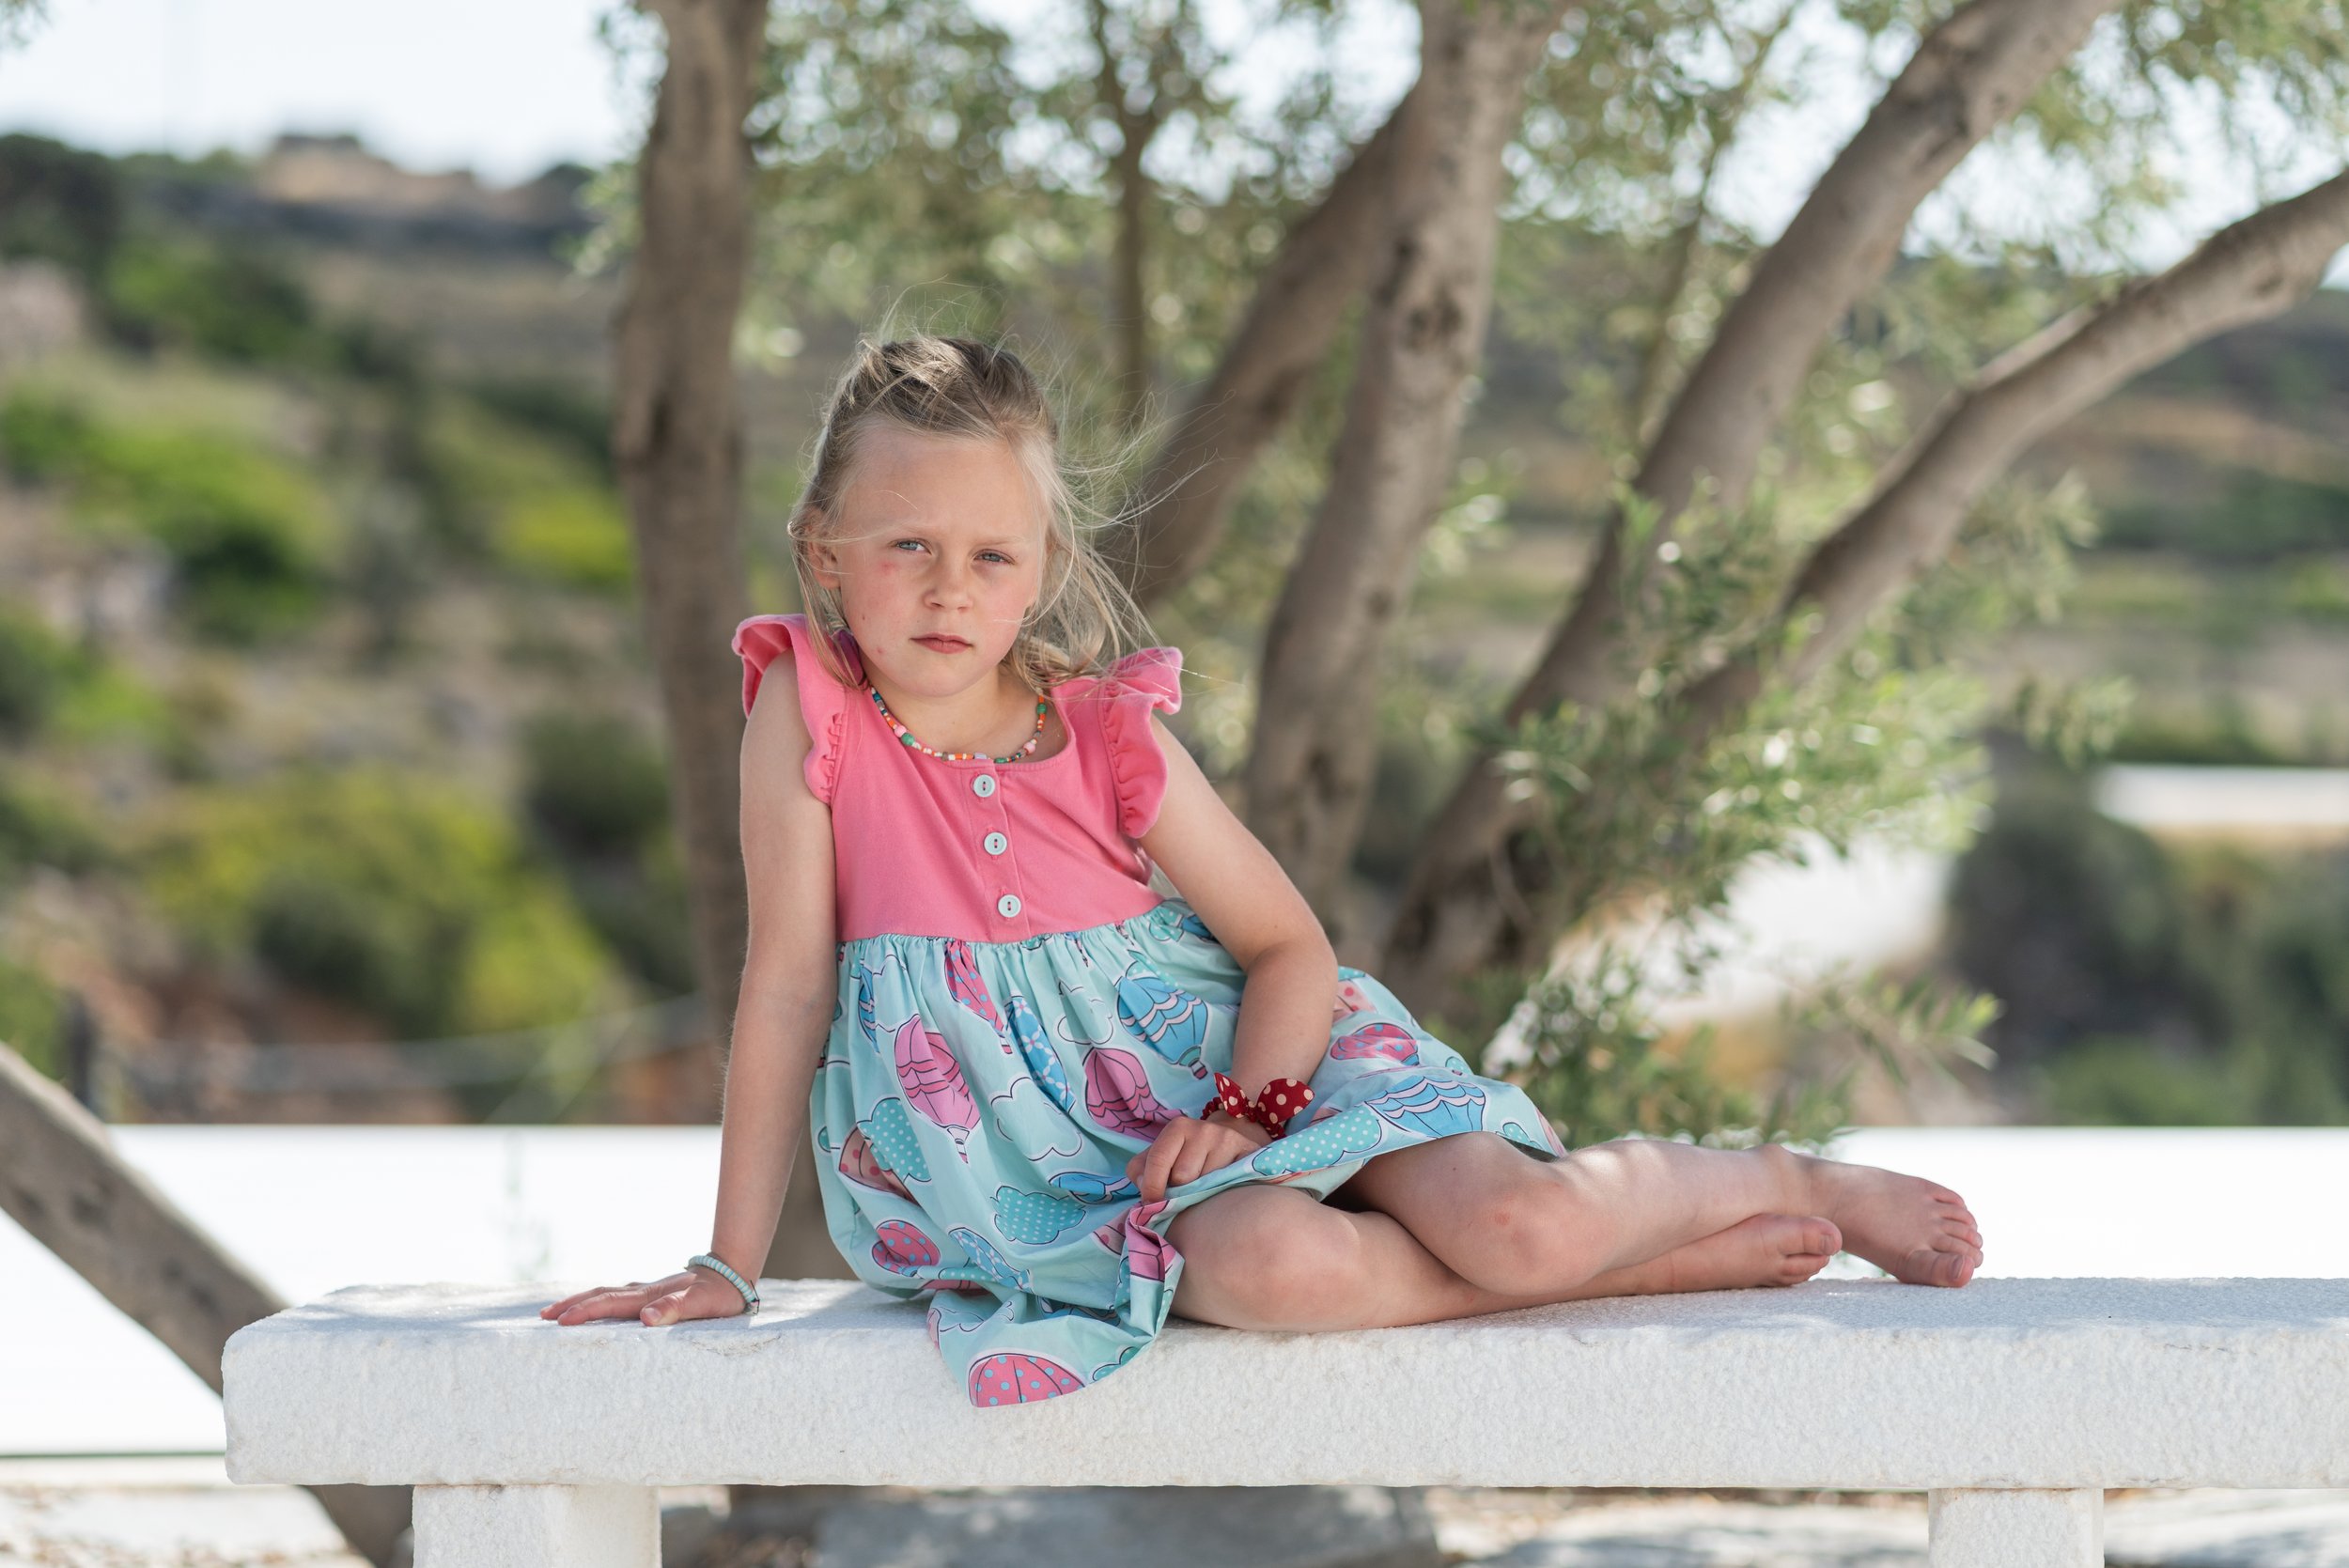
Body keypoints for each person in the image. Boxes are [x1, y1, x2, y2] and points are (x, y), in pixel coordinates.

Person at [542, 334, 1984, 1407]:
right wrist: (729, 1258)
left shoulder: (1102, 732)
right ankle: (1629, 1269)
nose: (946, 588)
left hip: (1259, 1072)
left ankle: (1779, 1177)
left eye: (990, 554)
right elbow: (788, 983)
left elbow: (1287, 946)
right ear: (824, 551)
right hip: (1085, 1177)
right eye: (906, 545)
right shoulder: (812, 707)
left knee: (1520, 1218)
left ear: (1041, 566)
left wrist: (1250, 1105)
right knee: (1274, 1273)